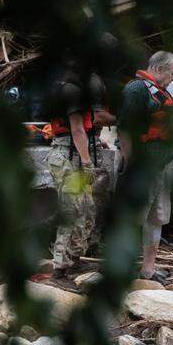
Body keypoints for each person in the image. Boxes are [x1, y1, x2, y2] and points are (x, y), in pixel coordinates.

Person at [119, 51, 173, 284]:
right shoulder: (136, 90)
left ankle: (148, 268)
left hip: (160, 166)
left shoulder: (159, 90)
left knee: (156, 217)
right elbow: (125, 128)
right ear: (158, 69)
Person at [46, 65, 115, 276]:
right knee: (72, 211)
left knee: (87, 211)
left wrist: (94, 142)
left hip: (78, 152)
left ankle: (74, 258)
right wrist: (87, 162)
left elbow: (85, 129)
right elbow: (76, 129)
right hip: (68, 157)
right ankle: (59, 267)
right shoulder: (72, 91)